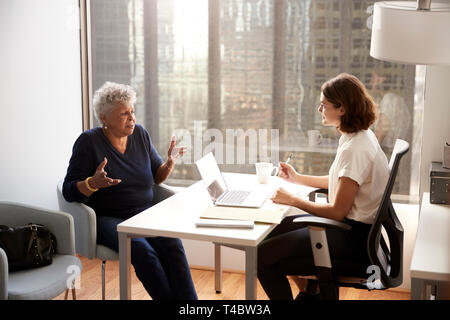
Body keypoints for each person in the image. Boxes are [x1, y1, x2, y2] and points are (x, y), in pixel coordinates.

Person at [257, 73, 390, 300]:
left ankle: (311, 290)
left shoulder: (355, 149)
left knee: (261, 256)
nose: (320, 110)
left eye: (323, 105)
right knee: (270, 231)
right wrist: (297, 178)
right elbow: (340, 183)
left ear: (342, 108)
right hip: (354, 231)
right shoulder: (357, 137)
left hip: (353, 237)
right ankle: (311, 290)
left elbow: (338, 211)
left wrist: (293, 200)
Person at [63, 81, 197, 300]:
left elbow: (156, 177)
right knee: (143, 251)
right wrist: (91, 183)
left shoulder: (140, 135)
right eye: (124, 113)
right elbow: (69, 191)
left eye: (132, 111)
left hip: (144, 214)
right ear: (104, 118)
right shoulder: (89, 142)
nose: (132, 118)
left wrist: (169, 163)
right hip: (108, 219)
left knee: (173, 244)